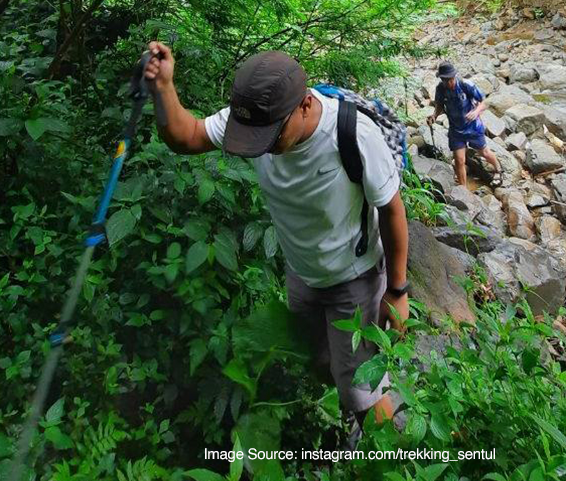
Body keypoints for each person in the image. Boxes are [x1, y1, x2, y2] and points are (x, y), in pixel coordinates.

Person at [143, 42, 409, 428]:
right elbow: (188, 137)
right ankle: (346, 416)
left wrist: (397, 291)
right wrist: (164, 87)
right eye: (253, 134)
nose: (260, 146)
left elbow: (391, 209)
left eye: (271, 134)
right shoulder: (256, 120)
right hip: (302, 274)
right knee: (318, 361)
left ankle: (389, 459)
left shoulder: (352, 135)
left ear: (304, 105)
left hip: (355, 279)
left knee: (362, 391)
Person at [426, 61, 502, 187]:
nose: (448, 83)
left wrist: (476, 111)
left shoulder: (465, 84)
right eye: (445, 80)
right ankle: (464, 191)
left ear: (454, 76)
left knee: (484, 152)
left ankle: (498, 169)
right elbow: (439, 105)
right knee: (460, 160)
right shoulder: (440, 88)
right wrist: (434, 115)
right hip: (456, 130)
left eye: (450, 79)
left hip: (473, 127)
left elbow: (484, 102)